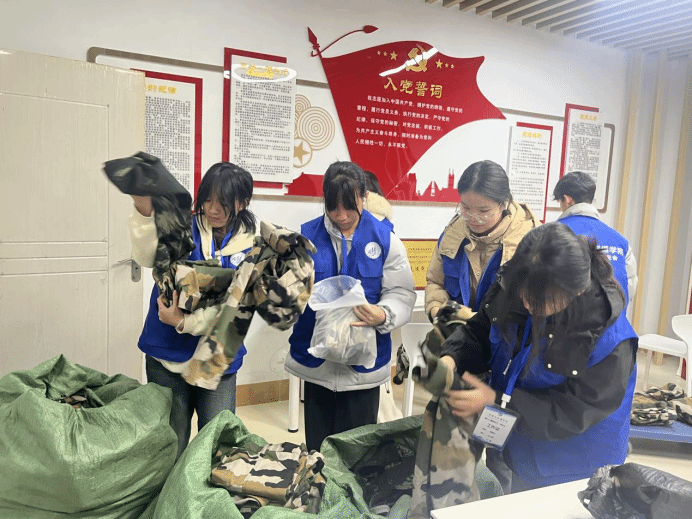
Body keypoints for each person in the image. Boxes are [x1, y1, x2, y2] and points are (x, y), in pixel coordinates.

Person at [439, 222, 638, 492]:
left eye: (542, 299)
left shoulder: (609, 340)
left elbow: (573, 411)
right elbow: (482, 329)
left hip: (574, 464)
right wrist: (452, 357)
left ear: (576, 291)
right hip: (518, 441)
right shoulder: (512, 286)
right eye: (525, 294)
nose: (528, 304)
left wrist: (496, 400)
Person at [285, 161, 416, 452]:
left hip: (362, 370)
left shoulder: (386, 240)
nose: (341, 215)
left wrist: (383, 314)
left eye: (349, 206)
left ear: (364, 197)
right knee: (318, 451)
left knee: (357, 452)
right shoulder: (306, 238)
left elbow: (401, 293)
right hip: (318, 365)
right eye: (333, 207)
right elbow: (289, 290)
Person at [129, 162, 256, 458]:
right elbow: (147, 256)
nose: (212, 209)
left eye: (223, 203)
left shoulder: (254, 246)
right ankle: (170, 489)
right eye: (207, 199)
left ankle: (205, 489)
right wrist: (143, 211)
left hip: (215, 357)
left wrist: (183, 322)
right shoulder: (183, 226)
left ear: (242, 202)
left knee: (217, 443)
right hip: (167, 353)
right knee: (170, 444)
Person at [425, 160, 539, 324]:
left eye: (483, 211)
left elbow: (540, 304)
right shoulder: (453, 233)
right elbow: (436, 282)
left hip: (505, 337)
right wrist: (437, 310)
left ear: (504, 203)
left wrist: (481, 324)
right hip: (458, 334)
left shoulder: (532, 241)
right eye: (465, 208)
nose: (473, 218)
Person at [554, 170, 637, 302]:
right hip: (615, 315)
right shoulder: (621, 241)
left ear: (568, 199)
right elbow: (629, 290)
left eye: (560, 201)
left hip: (570, 315)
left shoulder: (552, 234)